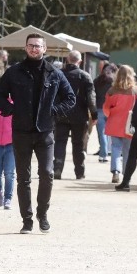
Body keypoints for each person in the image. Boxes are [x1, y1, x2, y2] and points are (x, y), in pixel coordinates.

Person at [0, 33, 75, 234]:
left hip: (45, 132)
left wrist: (54, 111)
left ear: (44, 49)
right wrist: (11, 110)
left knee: (47, 174)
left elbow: (70, 98)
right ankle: (27, 219)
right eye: (31, 46)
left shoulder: (54, 73)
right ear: (25, 48)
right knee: (23, 177)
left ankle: (42, 214)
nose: (34, 49)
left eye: (38, 46)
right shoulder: (14, 72)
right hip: (21, 131)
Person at [53, 50, 96, 180]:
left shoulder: (59, 74)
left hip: (61, 113)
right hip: (80, 115)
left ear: (67, 59)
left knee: (60, 142)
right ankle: (79, 172)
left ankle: (57, 168)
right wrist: (94, 114)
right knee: (78, 144)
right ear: (80, 61)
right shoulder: (85, 76)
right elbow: (91, 98)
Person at [103, 65, 137, 184]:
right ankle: (126, 174)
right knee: (128, 149)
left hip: (114, 122)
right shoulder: (135, 90)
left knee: (115, 148)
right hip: (129, 123)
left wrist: (111, 114)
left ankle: (115, 172)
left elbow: (106, 108)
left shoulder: (112, 90)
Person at [93, 63, 117, 163]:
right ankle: (107, 152)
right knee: (111, 133)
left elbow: (93, 95)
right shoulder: (115, 83)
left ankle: (103, 154)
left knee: (102, 133)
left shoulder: (97, 81)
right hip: (112, 109)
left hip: (99, 108)